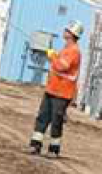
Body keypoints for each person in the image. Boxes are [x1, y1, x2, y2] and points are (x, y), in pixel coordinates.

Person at [30, 20, 84, 157]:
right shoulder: (66, 49)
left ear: (72, 34)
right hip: (52, 89)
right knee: (42, 117)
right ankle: (35, 145)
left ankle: (54, 150)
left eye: (67, 30)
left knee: (56, 120)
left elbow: (62, 66)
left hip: (62, 93)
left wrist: (52, 56)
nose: (64, 31)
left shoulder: (74, 51)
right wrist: (54, 55)